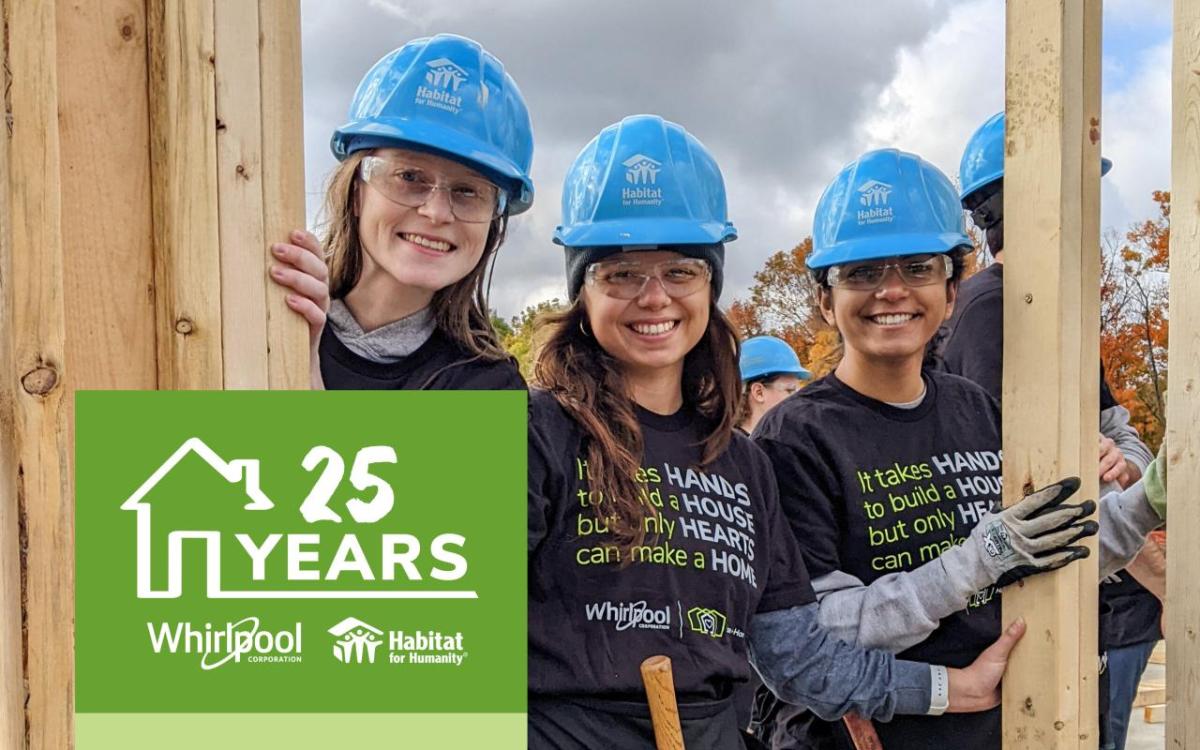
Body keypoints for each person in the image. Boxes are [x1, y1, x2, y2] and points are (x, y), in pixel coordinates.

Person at [527, 116, 1034, 750]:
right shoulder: (534, 432)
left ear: (709, 284)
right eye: (621, 273)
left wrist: (947, 689)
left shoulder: (739, 462)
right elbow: (442, 642)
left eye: (681, 271)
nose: (654, 297)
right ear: (583, 291)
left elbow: (797, 656)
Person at [751, 148, 1167, 748]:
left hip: (1000, 729)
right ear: (825, 301)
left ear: (950, 291)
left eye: (918, 267)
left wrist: (1150, 500)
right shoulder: (795, 438)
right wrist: (978, 560)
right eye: (862, 273)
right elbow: (824, 636)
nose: (891, 291)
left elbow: (1050, 551)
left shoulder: (978, 410)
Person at [949, 112, 1161, 749]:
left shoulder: (1062, 313)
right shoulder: (994, 308)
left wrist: (1112, 457)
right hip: (1021, 611)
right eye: (1078, 195)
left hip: (1074, 600)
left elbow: (1125, 445)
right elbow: (1005, 475)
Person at [269, 34, 532, 390]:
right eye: (409, 177)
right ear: (356, 192)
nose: (437, 212)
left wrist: (301, 376)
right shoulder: (271, 311)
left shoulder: (489, 389)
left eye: (468, 191)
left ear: (493, 221)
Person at [737, 336, 811, 435]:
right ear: (759, 392)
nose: (799, 400)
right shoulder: (732, 448)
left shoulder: (788, 441)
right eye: (789, 391)